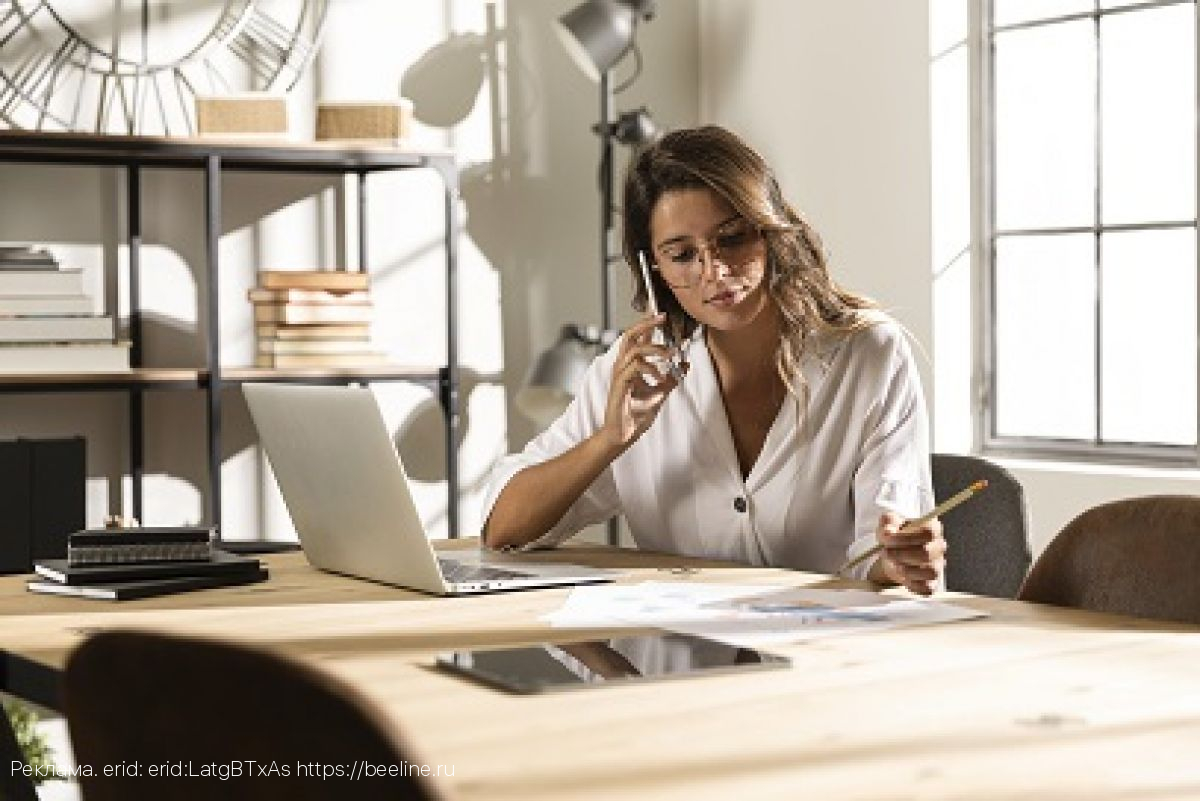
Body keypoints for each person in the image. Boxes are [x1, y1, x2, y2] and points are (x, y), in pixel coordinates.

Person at [482, 125, 945, 595]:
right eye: (682, 255)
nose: (715, 272)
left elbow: (882, 550)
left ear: (769, 231)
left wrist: (901, 559)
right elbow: (504, 529)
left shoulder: (868, 356)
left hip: (823, 651)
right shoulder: (634, 373)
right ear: (654, 269)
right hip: (676, 657)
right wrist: (610, 439)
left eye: (733, 238)